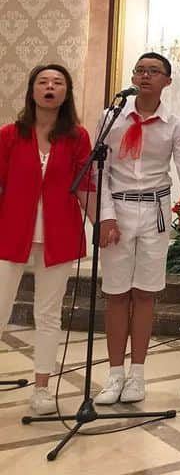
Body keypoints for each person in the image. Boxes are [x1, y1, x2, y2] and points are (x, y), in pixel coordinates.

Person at [95, 53, 180, 405]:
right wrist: (105, 216)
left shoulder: (174, 125)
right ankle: (114, 374)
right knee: (116, 293)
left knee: (145, 293)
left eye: (153, 71)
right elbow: (99, 172)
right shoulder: (110, 118)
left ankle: (138, 375)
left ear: (167, 81)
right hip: (118, 208)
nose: (145, 76)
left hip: (155, 212)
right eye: (140, 70)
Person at [0, 64, 93, 415]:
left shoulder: (77, 137)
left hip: (59, 235)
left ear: (66, 92)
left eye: (58, 82)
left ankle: (42, 388)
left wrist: (103, 223)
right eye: (43, 82)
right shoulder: (10, 134)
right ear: (32, 90)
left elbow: (85, 185)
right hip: (10, 233)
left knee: (49, 314)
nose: (50, 87)